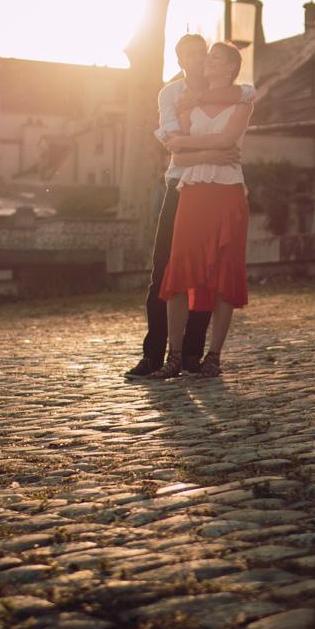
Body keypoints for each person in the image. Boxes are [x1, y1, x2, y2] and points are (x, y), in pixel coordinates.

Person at [126, 34, 253, 379]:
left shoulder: (231, 95)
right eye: (190, 55)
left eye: (202, 53)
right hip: (180, 184)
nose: (197, 60)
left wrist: (209, 143)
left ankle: (194, 355)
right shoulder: (173, 94)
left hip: (219, 188)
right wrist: (214, 152)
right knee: (166, 271)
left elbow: (248, 95)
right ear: (181, 60)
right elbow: (173, 145)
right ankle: (155, 355)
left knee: (209, 273)